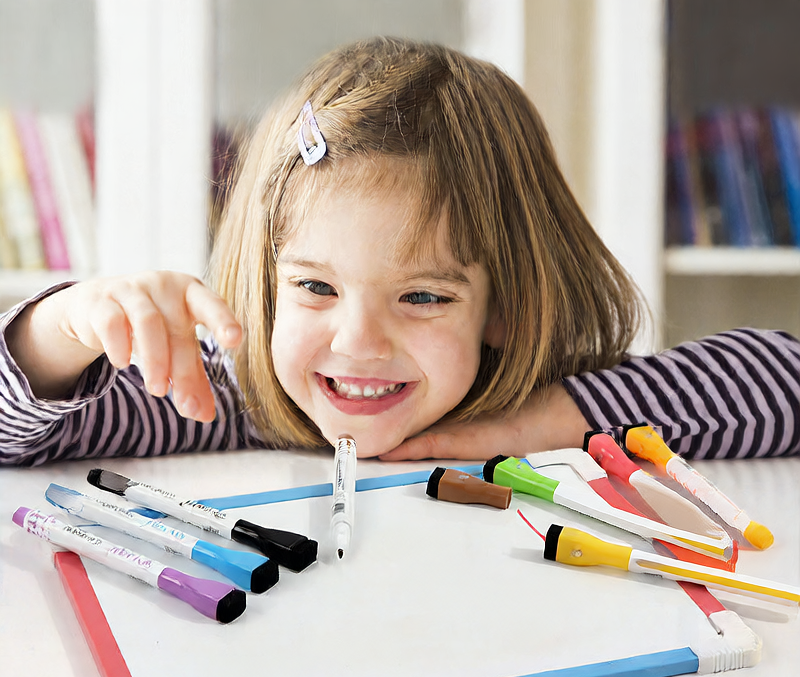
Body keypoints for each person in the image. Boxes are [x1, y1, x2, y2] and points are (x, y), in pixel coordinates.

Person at [1, 37, 799, 468]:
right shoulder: (219, 395)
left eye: (422, 297)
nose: (356, 343)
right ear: (269, 283)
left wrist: (549, 421)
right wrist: (58, 330)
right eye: (315, 287)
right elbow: (16, 432)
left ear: (505, 308)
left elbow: (784, 380)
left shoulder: (535, 400)